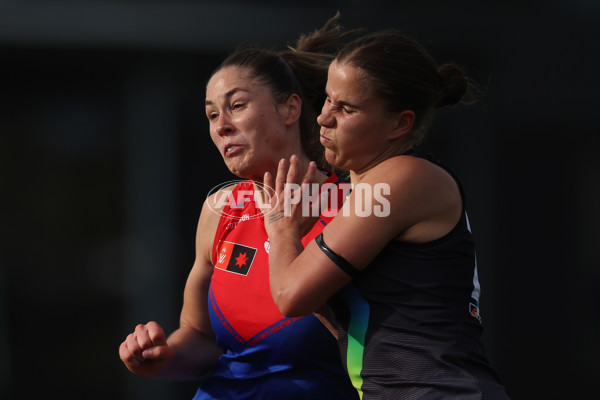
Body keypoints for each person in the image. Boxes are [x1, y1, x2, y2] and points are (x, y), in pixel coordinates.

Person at [118, 14, 360, 400]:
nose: (222, 126)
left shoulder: (356, 209)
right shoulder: (220, 210)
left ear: (290, 109)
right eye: (213, 114)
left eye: (237, 106)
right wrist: (162, 359)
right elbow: (199, 337)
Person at [264, 30, 511, 399]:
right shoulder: (367, 193)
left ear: (400, 123)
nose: (323, 118)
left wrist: (282, 227)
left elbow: (290, 296)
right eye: (328, 100)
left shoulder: (403, 178)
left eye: (346, 109)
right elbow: (356, 328)